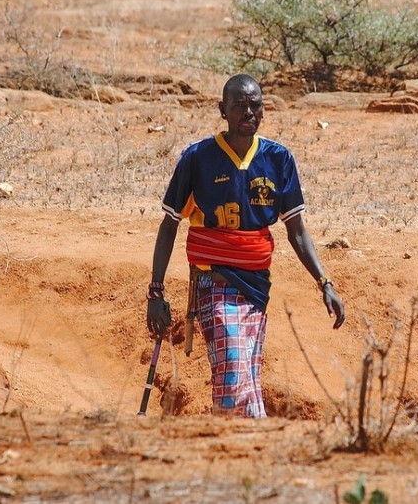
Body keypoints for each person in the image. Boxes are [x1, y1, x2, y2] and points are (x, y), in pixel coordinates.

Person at [146, 73, 345, 418]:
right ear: (223, 110)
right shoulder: (198, 158)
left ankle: (249, 452)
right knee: (235, 371)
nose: (249, 112)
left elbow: (296, 229)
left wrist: (324, 282)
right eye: (240, 106)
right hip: (213, 285)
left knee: (249, 378)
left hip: (256, 289)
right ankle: (226, 444)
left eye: (256, 105)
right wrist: (156, 292)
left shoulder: (278, 159)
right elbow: (169, 225)